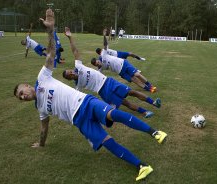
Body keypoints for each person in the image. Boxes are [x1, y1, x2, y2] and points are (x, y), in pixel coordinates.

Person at [13, 9, 167, 181]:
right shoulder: (40, 108)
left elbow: (51, 53)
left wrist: (51, 30)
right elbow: (44, 128)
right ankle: (142, 166)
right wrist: (41, 144)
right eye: (20, 97)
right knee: (107, 142)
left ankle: (155, 132)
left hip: (85, 102)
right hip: (79, 121)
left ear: (27, 86)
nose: (22, 96)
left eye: (21, 92)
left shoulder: (42, 79)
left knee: (113, 114)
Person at [62, 27, 161, 118]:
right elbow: (75, 98)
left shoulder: (79, 67)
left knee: (132, 92)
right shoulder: (78, 85)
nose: (71, 73)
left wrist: (70, 38)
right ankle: (144, 112)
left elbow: (75, 51)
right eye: (69, 76)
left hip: (109, 82)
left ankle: (153, 102)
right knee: (125, 102)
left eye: (70, 71)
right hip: (103, 91)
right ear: (69, 79)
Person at [91, 29, 156, 93]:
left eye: (98, 62)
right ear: (96, 66)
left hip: (123, 63)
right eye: (97, 65)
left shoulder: (103, 55)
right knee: (134, 79)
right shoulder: (100, 68)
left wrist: (104, 36)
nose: (99, 64)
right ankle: (148, 89)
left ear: (98, 60)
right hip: (120, 72)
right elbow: (97, 76)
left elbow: (105, 45)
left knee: (137, 74)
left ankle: (150, 85)